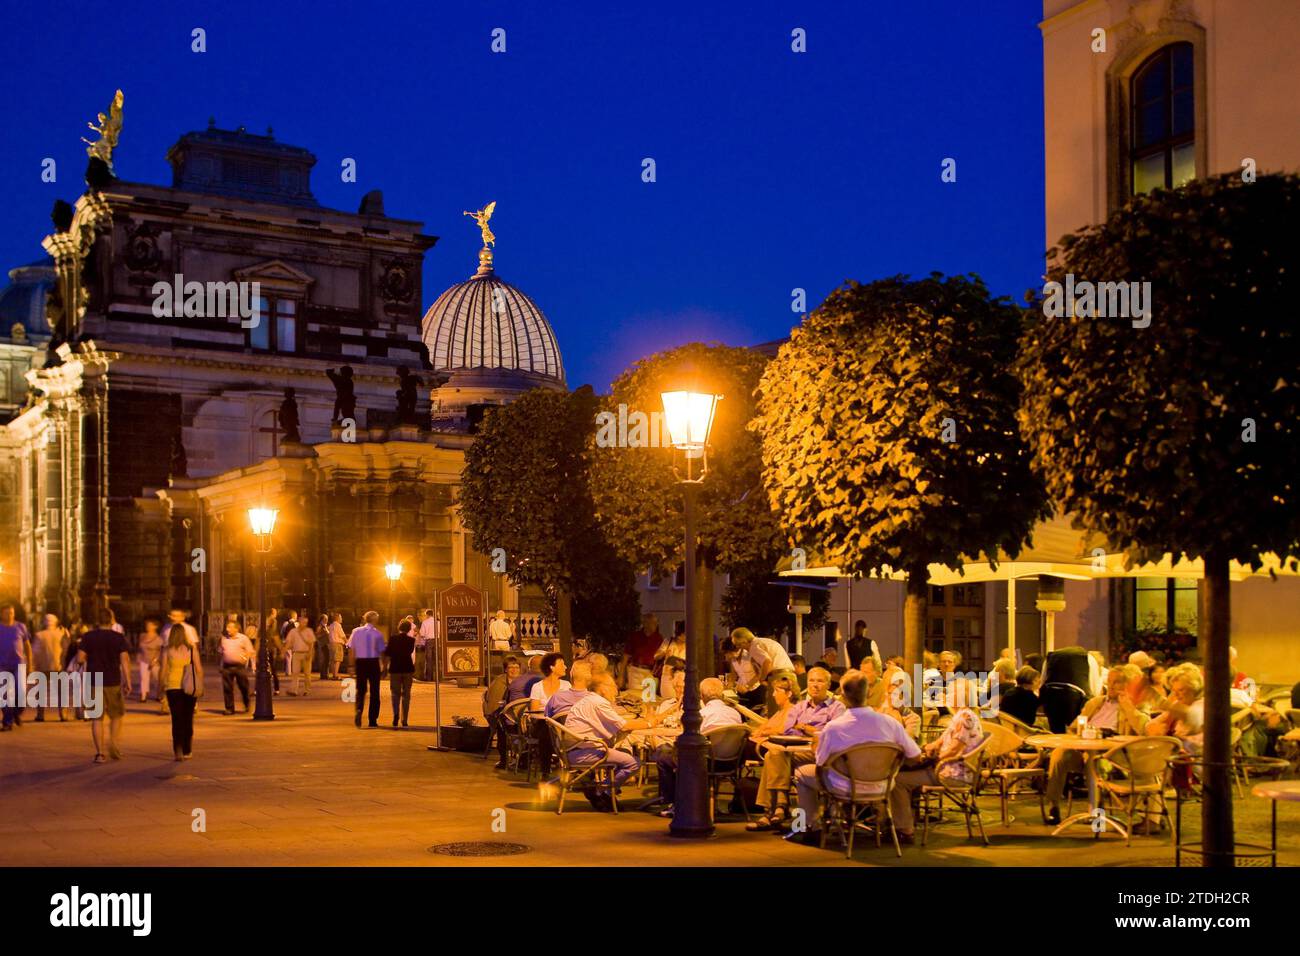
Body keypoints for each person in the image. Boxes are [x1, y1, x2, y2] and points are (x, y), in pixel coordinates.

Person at [789, 669, 922, 845]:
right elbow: (915, 755)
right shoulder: (890, 723)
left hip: (844, 787)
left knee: (801, 773)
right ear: (868, 693)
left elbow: (821, 763)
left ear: (842, 695)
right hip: (881, 786)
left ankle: (811, 827)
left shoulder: (834, 727)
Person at [1044, 664, 1149, 824]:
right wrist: (1080, 733)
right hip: (1084, 748)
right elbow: (1073, 728)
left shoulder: (1136, 705)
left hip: (1113, 756)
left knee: (1094, 759)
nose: (1111, 685)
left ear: (1127, 685)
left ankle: (1095, 813)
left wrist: (1127, 705)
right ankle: (1053, 806)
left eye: (1117, 682)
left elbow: (1143, 728)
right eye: (1109, 681)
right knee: (1059, 754)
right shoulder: (1095, 703)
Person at [747, 665, 844, 831]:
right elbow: (788, 730)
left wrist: (806, 728)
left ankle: (774, 809)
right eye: (811, 681)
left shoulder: (837, 707)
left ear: (828, 685)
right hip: (796, 748)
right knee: (774, 754)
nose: (815, 685)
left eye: (820, 681)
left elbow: (833, 733)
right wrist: (810, 729)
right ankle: (777, 808)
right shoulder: (800, 707)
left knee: (774, 755)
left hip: (820, 751)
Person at [889, 679, 986, 844]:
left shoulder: (965, 718)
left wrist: (934, 758)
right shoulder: (962, 716)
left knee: (898, 781)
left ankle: (904, 830)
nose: (946, 695)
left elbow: (954, 749)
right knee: (904, 772)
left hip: (953, 773)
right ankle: (904, 821)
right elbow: (941, 741)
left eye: (951, 692)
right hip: (952, 769)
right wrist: (931, 748)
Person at [562, 672, 660, 811]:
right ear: (603, 688)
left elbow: (617, 725)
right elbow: (623, 725)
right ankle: (603, 791)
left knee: (620, 750)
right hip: (584, 752)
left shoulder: (587, 700)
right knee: (634, 762)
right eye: (613, 686)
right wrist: (649, 723)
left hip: (574, 750)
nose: (616, 690)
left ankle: (602, 791)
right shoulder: (598, 703)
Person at [653, 676, 743, 816]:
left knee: (663, 756)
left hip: (704, 763)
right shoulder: (735, 714)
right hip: (731, 763)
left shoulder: (701, 715)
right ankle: (706, 802)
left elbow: (687, 740)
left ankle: (675, 803)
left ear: (701, 696)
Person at [78, 609, 132, 763]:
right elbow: (125, 660)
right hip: (113, 681)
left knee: (96, 719)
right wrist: (127, 681)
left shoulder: (88, 637)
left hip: (94, 681)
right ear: (112, 620)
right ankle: (113, 743)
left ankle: (100, 753)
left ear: (97, 621)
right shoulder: (118, 638)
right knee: (116, 716)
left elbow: (80, 658)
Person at [726, 628, 797, 715]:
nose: (739, 648)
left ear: (744, 642)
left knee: (776, 709)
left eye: (738, 645)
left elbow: (767, 662)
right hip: (788, 674)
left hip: (779, 676)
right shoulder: (761, 642)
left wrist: (761, 679)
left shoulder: (753, 647)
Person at [162, 618, 202, 761]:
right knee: (188, 718)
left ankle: (177, 750)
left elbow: (163, 670)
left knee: (176, 719)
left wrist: (161, 687)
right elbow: (198, 669)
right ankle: (187, 750)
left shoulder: (167, 650)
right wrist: (200, 685)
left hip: (173, 687)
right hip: (189, 687)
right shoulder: (192, 649)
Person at [1145, 662, 1204, 752]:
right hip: (1175, 753)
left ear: (1194, 688)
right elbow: (1149, 725)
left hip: (1193, 758)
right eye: (1174, 690)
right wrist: (1154, 728)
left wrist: (1164, 704)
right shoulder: (1178, 704)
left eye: (1181, 690)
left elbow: (1193, 717)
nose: (1176, 694)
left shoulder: (1202, 705)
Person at [347, 611, 386, 728]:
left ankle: (359, 710)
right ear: (375, 620)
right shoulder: (378, 634)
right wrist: (384, 666)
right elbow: (382, 651)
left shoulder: (356, 631)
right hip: (373, 662)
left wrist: (351, 665)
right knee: (375, 691)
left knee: (361, 690)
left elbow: (351, 649)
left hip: (361, 662)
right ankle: (372, 720)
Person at [31, 614, 69, 721]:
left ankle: (40, 715)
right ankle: (63, 714)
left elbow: (35, 652)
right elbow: (66, 650)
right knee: (61, 691)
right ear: (55, 622)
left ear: (44, 622)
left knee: (41, 691)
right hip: (59, 666)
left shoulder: (39, 635)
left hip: (43, 667)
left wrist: (34, 665)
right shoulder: (61, 635)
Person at [0, 606, 31, 731]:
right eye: (7, 613)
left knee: (21, 693)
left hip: (19, 664)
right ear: (1, 614)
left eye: (11, 613)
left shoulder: (20, 627)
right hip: (2, 666)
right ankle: (7, 721)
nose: (9, 615)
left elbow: (27, 646)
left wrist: (30, 663)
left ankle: (16, 713)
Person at [384, 620, 416, 728]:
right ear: (409, 629)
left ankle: (396, 715)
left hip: (395, 668)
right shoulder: (411, 640)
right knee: (406, 695)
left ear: (399, 627)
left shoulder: (393, 639)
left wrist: (385, 667)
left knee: (395, 694)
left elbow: (387, 654)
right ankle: (405, 719)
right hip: (407, 668)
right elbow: (410, 652)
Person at [218, 621, 255, 714]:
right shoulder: (223, 639)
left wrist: (245, 658)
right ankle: (229, 708)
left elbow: (250, 651)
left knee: (243, 686)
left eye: (230, 627)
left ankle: (247, 704)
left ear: (236, 629)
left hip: (239, 667)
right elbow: (221, 652)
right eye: (227, 627)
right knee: (227, 688)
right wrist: (221, 665)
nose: (227, 629)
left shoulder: (243, 638)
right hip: (227, 666)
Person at [621, 614, 662, 691]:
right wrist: (621, 676)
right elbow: (626, 656)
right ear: (644, 623)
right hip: (635, 671)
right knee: (634, 696)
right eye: (651, 623)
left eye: (655, 623)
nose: (654, 625)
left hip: (650, 672)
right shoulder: (635, 636)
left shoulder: (659, 639)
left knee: (648, 698)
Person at [285, 615, 316, 696]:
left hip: (306, 654)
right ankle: (294, 690)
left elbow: (311, 643)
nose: (304, 624)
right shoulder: (293, 631)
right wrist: (283, 650)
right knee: (295, 673)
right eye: (303, 622)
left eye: (306, 622)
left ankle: (307, 690)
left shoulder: (309, 631)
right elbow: (289, 642)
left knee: (307, 673)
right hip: (296, 653)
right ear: (299, 622)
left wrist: (310, 653)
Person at [136, 618, 164, 707]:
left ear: (156, 626)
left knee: (156, 679)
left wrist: (155, 660)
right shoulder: (142, 635)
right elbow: (139, 648)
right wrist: (138, 658)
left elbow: (160, 651)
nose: (148, 626)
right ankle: (143, 695)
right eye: (147, 625)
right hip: (143, 660)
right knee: (143, 678)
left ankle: (159, 695)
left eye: (150, 625)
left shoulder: (159, 638)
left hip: (154, 661)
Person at [417, 608, 437, 681]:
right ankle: (438, 677)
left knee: (429, 660)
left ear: (427, 614)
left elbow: (422, 634)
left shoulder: (425, 622)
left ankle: (429, 678)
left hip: (429, 641)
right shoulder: (438, 622)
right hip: (437, 641)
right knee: (437, 660)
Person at [328, 613, 347, 679]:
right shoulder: (338, 625)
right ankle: (335, 675)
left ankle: (333, 675)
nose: (341, 619)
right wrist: (347, 642)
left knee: (333, 660)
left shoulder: (331, 625)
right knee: (337, 660)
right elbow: (342, 635)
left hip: (331, 644)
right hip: (337, 644)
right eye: (341, 617)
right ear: (337, 618)